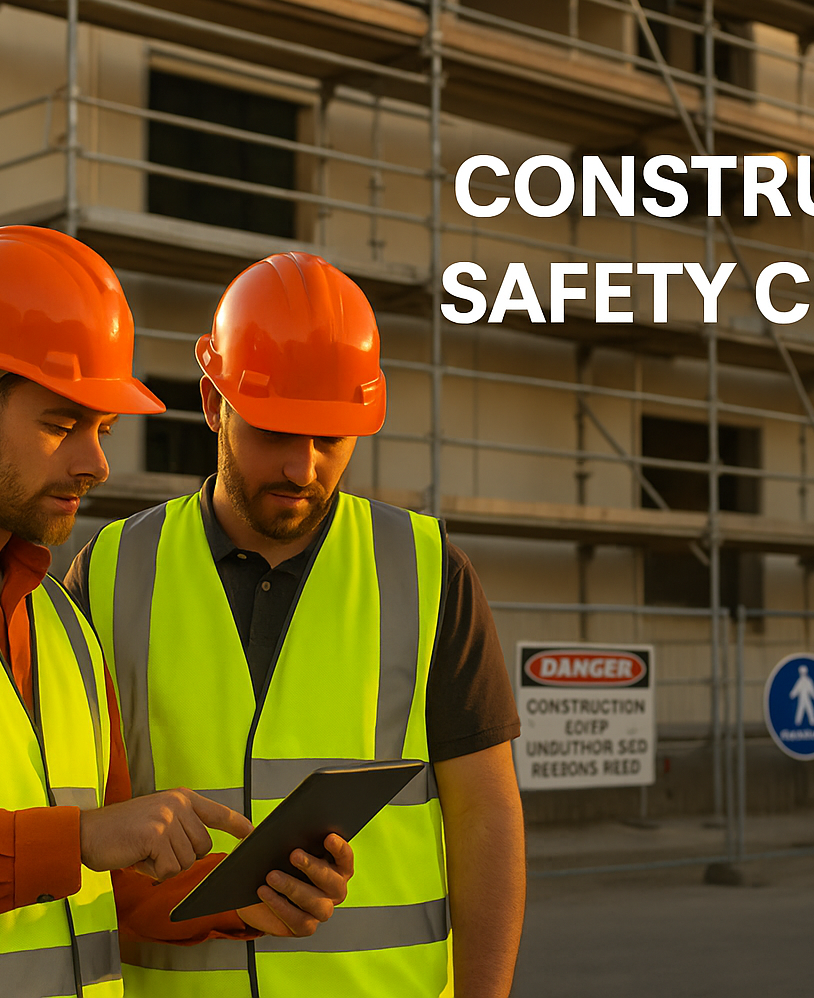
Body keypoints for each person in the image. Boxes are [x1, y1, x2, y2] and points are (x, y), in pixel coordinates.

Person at [0, 227, 350, 997]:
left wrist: (246, 895)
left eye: (103, 429)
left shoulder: (61, 623)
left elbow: (104, 883)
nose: (97, 462)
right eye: (61, 424)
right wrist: (79, 837)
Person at [65, 251, 525, 997]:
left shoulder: (430, 571)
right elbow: (74, 823)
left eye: (331, 439)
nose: (303, 469)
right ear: (214, 403)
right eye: (277, 432)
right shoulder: (112, 570)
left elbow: (487, 817)